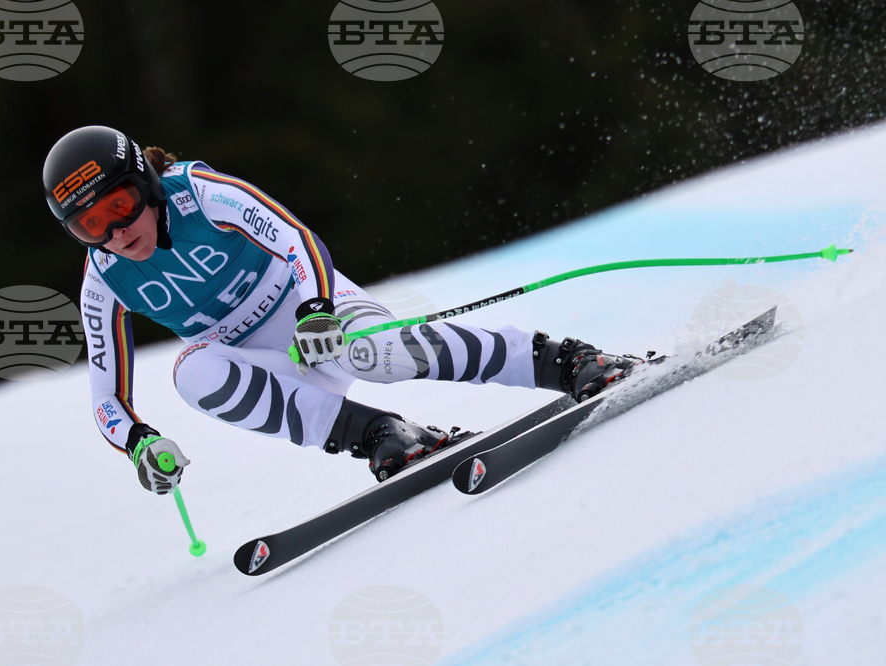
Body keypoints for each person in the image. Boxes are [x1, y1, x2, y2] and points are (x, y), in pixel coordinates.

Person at [42, 125, 637, 494]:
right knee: (191, 373)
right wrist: (139, 442)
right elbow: (106, 399)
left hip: (318, 313)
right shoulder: (105, 283)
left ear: (143, 183)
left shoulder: (199, 191)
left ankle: (566, 362)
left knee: (373, 351)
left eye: (119, 206)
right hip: (274, 362)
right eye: (90, 226)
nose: (116, 234)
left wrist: (318, 310)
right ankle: (383, 435)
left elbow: (296, 237)